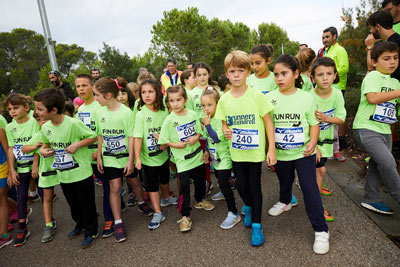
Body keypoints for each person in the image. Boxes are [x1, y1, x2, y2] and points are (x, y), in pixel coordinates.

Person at [267, 55, 329, 255]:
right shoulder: (269, 98)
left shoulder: (306, 97)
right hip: (281, 154)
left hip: (304, 153)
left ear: (295, 74)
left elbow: (313, 123)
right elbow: (266, 125)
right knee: (284, 181)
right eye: (276, 74)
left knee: (310, 189)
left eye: (284, 73)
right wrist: (270, 149)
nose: (279, 78)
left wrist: (313, 143)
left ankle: (321, 230)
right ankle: (285, 201)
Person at [215, 50, 276, 247]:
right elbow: (224, 122)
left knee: (254, 186)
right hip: (237, 152)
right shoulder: (224, 99)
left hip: (255, 151)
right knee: (241, 186)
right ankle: (248, 206)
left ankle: (257, 225)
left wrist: (271, 149)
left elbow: (268, 122)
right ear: (227, 73)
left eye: (240, 70)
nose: (236, 75)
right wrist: (225, 129)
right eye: (232, 71)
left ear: (248, 72)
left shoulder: (256, 96)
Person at [35, 88, 99, 249]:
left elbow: (93, 137)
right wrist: (43, 150)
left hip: (81, 173)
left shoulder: (73, 123)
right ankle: (79, 224)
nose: (36, 112)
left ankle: (91, 230)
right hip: (63, 174)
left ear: (54, 110)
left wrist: (77, 144)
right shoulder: (45, 127)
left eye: (40, 109)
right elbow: (45, 143)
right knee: (73, 204)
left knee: (86, 204)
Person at [159, 85, 214, 233]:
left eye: (178, 100)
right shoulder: (169, 120)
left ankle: (200, 200)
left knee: (200, 181)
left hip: (197, 156)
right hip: (182, 162)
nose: (175, 103)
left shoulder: (192, 114)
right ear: (168, 102)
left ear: (185, 99)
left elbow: (199, 131)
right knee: (184, 188)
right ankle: (185, 215)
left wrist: (196, 138)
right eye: (172, 101)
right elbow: (163, 141)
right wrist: (174, 144)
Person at [353, 41, 400, 214]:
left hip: (385, 131)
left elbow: (394, 110)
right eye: (386, 59)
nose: (392, 62)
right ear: (374, 62)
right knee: (388, 163)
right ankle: (398, 194)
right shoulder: (372, 76)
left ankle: (371, 199)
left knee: (377, 164)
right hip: (366, 128)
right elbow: (372, 98)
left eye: (395, 58)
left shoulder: (396, 82)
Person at [93, 77, 135, 243]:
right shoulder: (99, 112)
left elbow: (131, 137)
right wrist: (99, 155)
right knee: (115, 187)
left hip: (125, 157)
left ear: (108, 95)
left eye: (97, 95)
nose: (95, 99)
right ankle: (118, 222)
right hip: (109, 158)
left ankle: (141, 202)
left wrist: (131, 160)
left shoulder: (126, 112)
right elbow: (100, 135)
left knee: (133, 182)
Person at [134, 79, 178, 230]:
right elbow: (138, 137)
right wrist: (138, 158)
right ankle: (158, 212)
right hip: (148, 159)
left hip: (163, 155)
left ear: (157, 93)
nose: (147, 95)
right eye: (143, 92)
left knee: (165, 179)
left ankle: (166, 198)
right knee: (152, 185)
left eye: (150, 92)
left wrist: (166, 142)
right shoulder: (140, 114)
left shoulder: (164, 111)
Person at [310, 57, 346, 221]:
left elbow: (341, 118)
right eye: (320, 74)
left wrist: (326, 118)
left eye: (329, 74)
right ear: (313, 78)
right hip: (312, 143)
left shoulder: (337, 94)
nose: (325, 78)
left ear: (335, 75)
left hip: (326, 143)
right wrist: (313, 146)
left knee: (319, 172)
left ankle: (311, 185)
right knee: (320, 171)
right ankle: (318, 207)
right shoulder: (309, 97)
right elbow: (305, 125)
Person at [4, 93, 41, 247]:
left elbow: (40, 143)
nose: (12, 111)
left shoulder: (34, 122)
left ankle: (49, 222)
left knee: (46, 194)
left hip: (38, 164)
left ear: (26, 108)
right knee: (21, 197)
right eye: (10, 109)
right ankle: (22, 228)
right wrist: (12, 170)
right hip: (22, 167)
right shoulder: (9, 126)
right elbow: (11, 148)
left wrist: (35, 164)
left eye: (16, 108)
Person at [201, 87, 240, 229]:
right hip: (214, 157)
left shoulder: (220, 119)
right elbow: (207, 138)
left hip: (224, 157)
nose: (206, 108)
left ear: (217, 103)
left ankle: (233, 212)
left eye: (210, 105)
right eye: (203, 105)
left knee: (223, 181)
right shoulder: (207, 118)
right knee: (219, 177)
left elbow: (216, 138)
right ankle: (224, 193)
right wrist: (206, 151)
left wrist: (208, 125)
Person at [22, 115, 59, 243]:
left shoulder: (60, 130)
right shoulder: (40, 134)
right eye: (39, 120)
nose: (42, 122)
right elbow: (24, 148)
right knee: (47, 197)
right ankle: (49, 224)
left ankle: (82, 219)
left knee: (73, 195)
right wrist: (35, 147)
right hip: (47, 171)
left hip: (64, 169)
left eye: (45, 119)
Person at [322, 26, 349, 150]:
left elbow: (344, 68)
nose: (324, 40)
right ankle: (330, 141)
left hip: (338, 87)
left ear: (334, 36)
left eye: (327, 37)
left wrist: (330, 75)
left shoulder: (340, 50)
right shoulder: (326, 51)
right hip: (326, 88)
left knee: (339, 113)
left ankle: (341, 140)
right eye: (323, 38)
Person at [365, 10, 400, 81]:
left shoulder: (391, 44)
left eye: (371, 28)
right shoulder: (396, 39)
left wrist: (369, 47)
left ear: (377, 27)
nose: (370, 32)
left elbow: (371, 67)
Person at [0, 126, 11, 248]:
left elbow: (7, 149)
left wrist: (11, 171)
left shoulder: (0, 130)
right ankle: (21, 210)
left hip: (2, 168)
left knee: (1, 199)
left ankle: (4, 235)